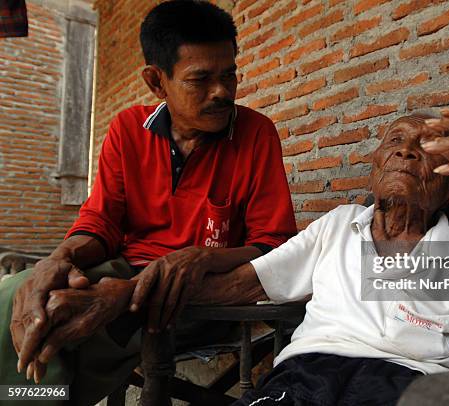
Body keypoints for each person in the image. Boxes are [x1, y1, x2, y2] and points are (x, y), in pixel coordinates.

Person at [185, 109, 449, 405]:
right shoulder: (338, 224)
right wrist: (139, 288)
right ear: (374, 169)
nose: (406, 151)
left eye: (427, 147)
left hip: (413, 389)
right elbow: (248, 282)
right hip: (302, 378)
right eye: (396, 140)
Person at [0, 1, 296, 404]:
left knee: (64, 318)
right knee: (18, 295)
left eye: (229, 75)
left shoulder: (256, 134)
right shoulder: (127, 130)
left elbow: (274, 244)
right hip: (124, 268)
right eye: (201, 79)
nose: (222, 92)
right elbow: (102, 222)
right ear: (157, 82)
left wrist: (199, 257)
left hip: (200, 295)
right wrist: (59, 258)